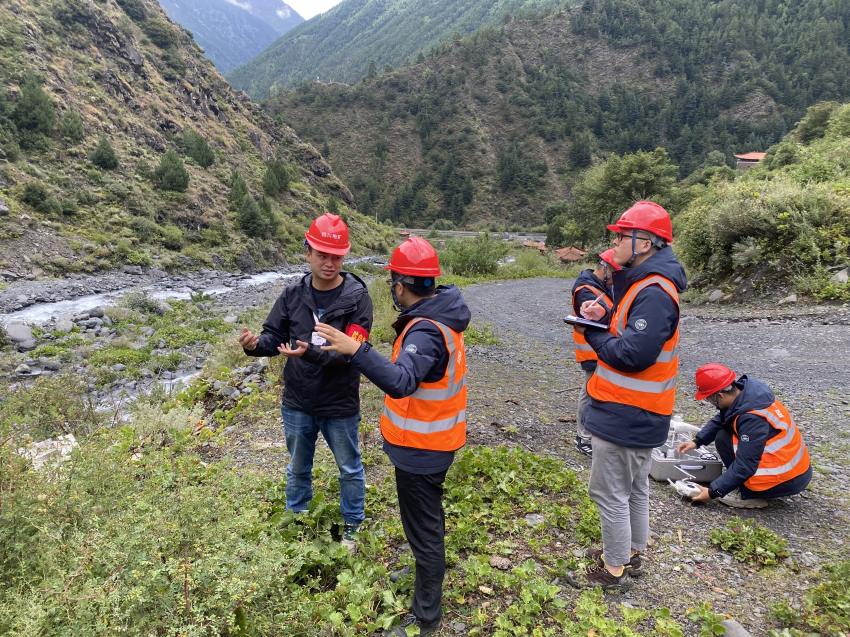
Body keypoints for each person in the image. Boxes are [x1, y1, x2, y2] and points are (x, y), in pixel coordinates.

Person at [315, 236, 469, 637]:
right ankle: (424, 575)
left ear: (400, 284)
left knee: (425, 528)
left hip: (424, 450)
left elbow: (401, 382)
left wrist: (356, 349)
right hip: (428, 446)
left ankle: (426, 616)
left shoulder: (426, 331)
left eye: (393, 285)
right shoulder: (441, 315)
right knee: (422, 524)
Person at [238, 212, 373, 551]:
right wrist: (256, 346)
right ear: (308, 253)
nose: (330, 263)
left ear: (344, 256)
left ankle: (352, 527)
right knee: (298, 467)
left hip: (339, 402)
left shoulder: (357, 298)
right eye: (323, 255)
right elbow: (274, 337)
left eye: (337, 256)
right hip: (298, 401)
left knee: (349, 468)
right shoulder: (292, 295)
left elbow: (352, 351)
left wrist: (309, 353)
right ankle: (297, 519)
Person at [575, 201, 687, 590]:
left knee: (608, 492)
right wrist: (602, 317)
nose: (616, 241)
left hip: (627, 413)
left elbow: (633, 354)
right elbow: (633, 336)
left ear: (644, 243)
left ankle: (614, 566)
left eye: (622, 235)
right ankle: (632, 552)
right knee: (635, 488)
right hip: (642, 412)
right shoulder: (647, 284)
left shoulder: (655, 291)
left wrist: (592, 333)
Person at [678, 363, 812, 508]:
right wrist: (697, 441)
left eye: (709, 399)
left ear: (720, 396)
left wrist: (712, 492)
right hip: (794, 469)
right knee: (723, 436)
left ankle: (750, 495)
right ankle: (742, 485)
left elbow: (745, 465)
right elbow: (724, 417)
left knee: (728, 444)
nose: (710, 403)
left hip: (787, 479)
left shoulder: (752, 419)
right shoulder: (747, 394)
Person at [569, 249, 620, 456]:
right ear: (604, 269)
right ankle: (583, 437)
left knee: (596, 392)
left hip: (603, 348)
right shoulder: (586, 290)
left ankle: (592, 434)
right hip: (592, 350)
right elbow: (597, 318)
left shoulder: (602, 287)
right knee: (590, 393)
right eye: (615, 273)